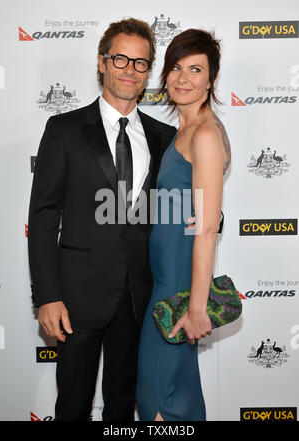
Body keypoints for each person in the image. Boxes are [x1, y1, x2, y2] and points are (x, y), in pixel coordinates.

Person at [28, 18, 176, 421]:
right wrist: (46, 294)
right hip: (75, 298)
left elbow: (174, 209)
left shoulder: (165, 137)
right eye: (120, 59)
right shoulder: (65, 129)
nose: (130, 69)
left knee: (123, 407)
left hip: (139, 299)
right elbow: (42, 217)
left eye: (140, 62)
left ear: (149, 71)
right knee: (72, 406)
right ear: (102, 62)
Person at [136, 29, 231, 421]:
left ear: (211, 79)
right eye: (176, 67)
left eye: (195, 69)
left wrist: (195, 308)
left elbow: (206, 228)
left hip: (177, 286)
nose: (182, 78)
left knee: (161, 401)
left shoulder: (205, 134)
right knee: (173, 394)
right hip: (164, 280)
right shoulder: (186, 130)